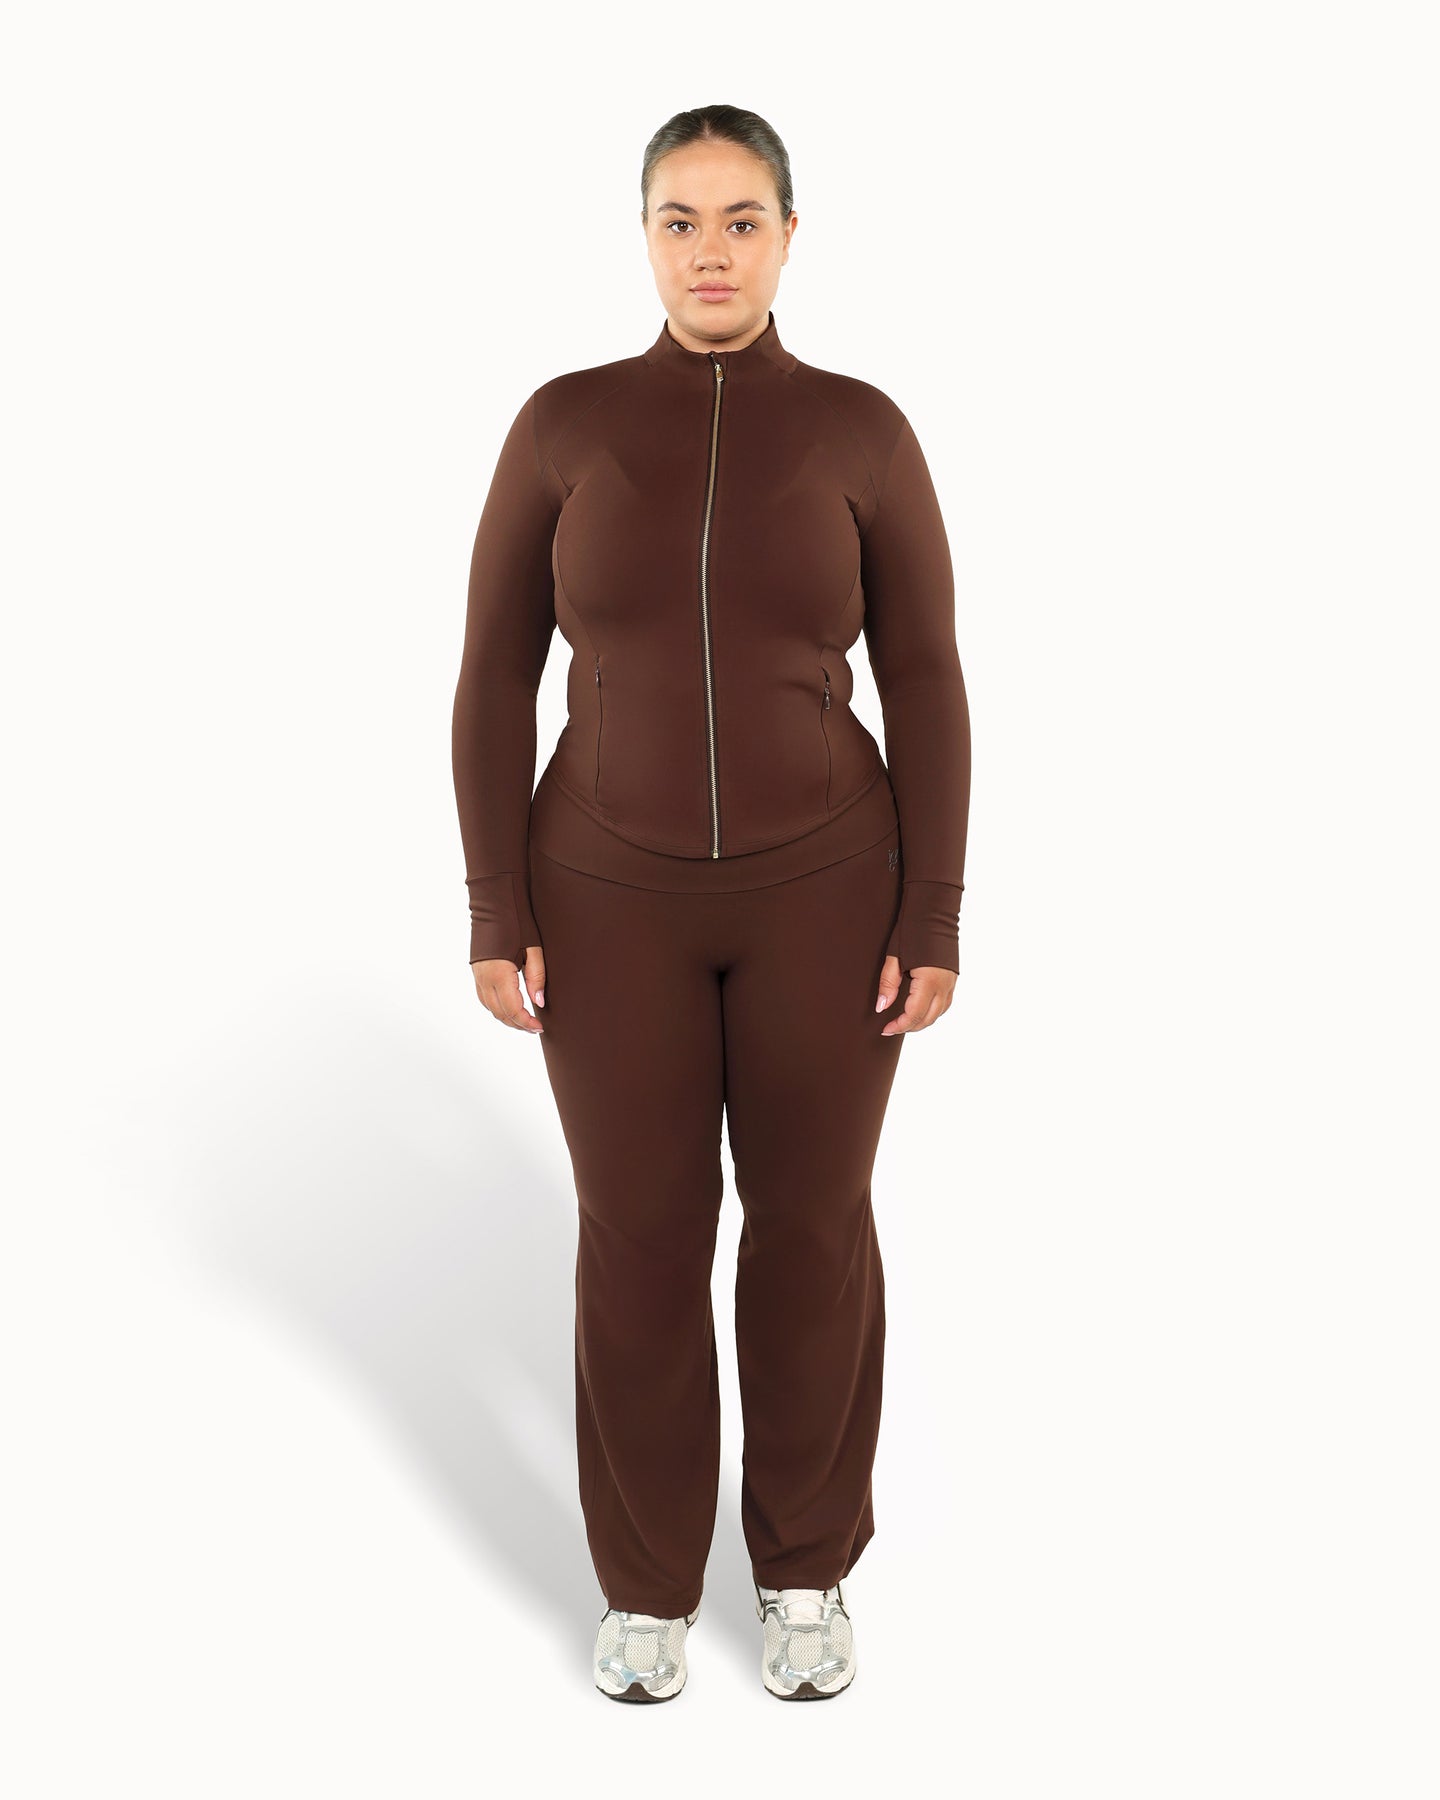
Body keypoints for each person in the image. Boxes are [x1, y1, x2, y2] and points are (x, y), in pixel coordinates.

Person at [451, 103, 971, 1703]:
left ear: (790, 237)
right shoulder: (564, 426)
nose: (712, 252)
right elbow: (493, 676)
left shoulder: (863, 432)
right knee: (641, 1237)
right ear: (645, 237)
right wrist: (493, 903)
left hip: (830, 893)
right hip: (604, 900)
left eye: (742, 220)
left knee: (812, 1230)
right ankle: (647, 1585)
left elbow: (926, 677)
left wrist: (934, 913)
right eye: (680, 221)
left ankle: (806, 1569)